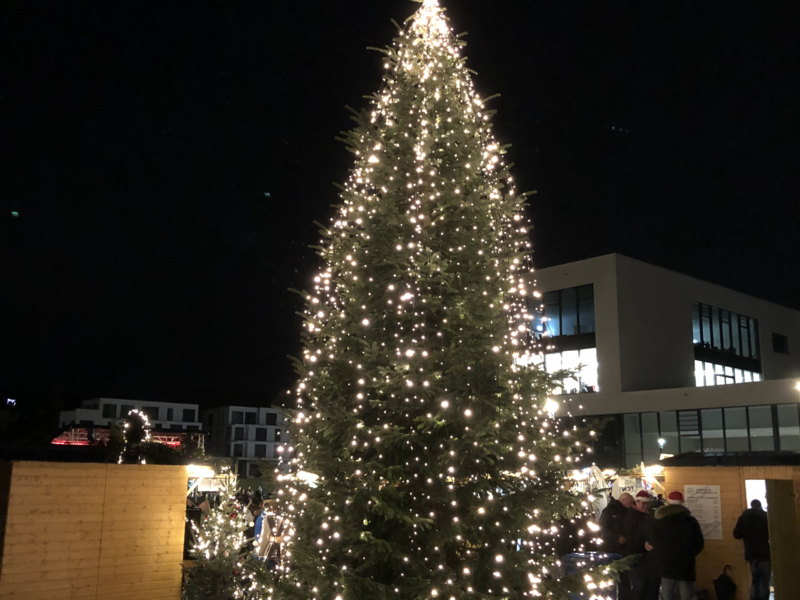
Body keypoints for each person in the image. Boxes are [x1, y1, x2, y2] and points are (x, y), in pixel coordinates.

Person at [651, 491, 705, 600]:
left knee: (667, 593)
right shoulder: (690, 521)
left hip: (666, 563)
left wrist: (660, 555)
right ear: (682, 503)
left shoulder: (660, 520)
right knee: (686, 594)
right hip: (685, 563)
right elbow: (699, 542)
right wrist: (690, 554)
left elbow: (654, 540)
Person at [623, 490, 659, 600]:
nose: (645, 506)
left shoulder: (647, 516)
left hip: (647, 557)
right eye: (643, 503)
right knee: (639, 587)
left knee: (648, 586)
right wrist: (643, 546)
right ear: (637, 502)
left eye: (647, 503)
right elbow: (630, 538)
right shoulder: (631, 517)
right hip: (637, 557)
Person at [733, 499, 771, 600]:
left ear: (751, 506)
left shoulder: (744, 517)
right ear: (760, 506)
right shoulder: (766, 516)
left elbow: (736, 534)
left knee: (755, 580)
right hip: (765, 553)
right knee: (765, 581)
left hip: (751, 554)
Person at [599, 492, 634, 600]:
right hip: (612, 549)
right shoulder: (611, 511)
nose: (632, 504)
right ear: (623, 500)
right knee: (614, 578)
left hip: (622, 549)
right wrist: (616, 538)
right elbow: (603, 529)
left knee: (624, 579)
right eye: (631, 502)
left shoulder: (625, 511)